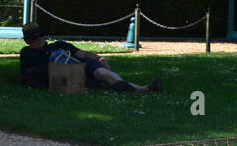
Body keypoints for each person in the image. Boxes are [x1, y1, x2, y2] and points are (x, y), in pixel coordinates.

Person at [18, 23, 161, 93]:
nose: (39, 39)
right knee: (105, 83)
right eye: (34, 37)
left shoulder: (59, 44)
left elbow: (83, 54)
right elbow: (26, 74)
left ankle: (129, 86)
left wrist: (100, 59)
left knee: (102, 73)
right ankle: (145, 88)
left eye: (40, 35)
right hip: (67, 75)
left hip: (82, 65)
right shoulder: (27, 52)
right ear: (27, 40)